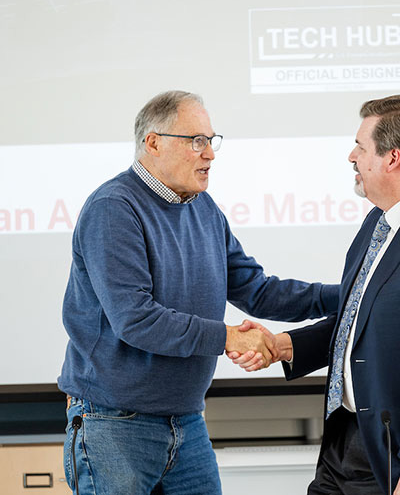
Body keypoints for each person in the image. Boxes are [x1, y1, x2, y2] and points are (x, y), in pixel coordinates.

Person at [58, 90, 339, 495]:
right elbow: (136, 320)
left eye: (211, 140)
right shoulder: (114, 208)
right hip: (115, 423)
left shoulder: (204, 209)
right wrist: (228, 337)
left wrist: (350, 294)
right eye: (196, 141)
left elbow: (257, 291)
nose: (209, 153)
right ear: (153, 143)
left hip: (186, 422)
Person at [229, 95, 400, 495]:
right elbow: (360, 317)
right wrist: (283, 346)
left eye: (360, 146)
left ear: (392, 158)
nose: (351, 156)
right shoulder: (380, 219)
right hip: (348, 439)